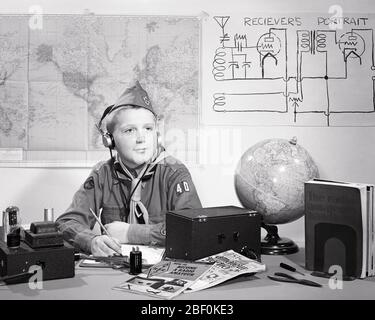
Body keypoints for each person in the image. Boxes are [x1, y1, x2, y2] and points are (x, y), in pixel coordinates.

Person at [56, 81, 202, 256]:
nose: (141, 138)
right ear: (110, 141)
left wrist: (130, 232)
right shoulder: (102, 174)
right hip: (117, 269)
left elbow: (193, 228)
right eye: (129, 131)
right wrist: (91, 241)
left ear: (158, 134)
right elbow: (66, 222)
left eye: (148, 128)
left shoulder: (174, 172)